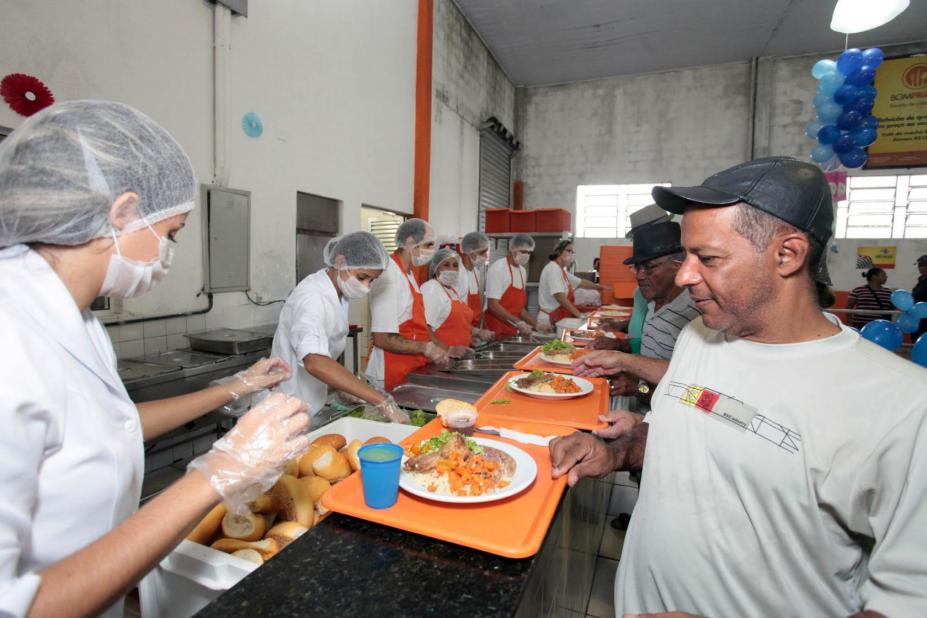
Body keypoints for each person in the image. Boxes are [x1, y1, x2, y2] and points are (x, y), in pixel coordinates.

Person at [554, 157, 927, 617]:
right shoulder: (698, 338)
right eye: (686, 256)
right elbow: (689, 434)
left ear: (787, 255)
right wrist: (619, 451)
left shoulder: (904, 408)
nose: (686, 275)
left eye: (707, 259)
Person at [0, 101, 311, 618]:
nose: (169, 253)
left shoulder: (74, 318)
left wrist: (233, 386)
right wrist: (215, 477)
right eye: (171, 234)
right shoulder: (11, 340)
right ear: (122, 212)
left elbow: (110, 428)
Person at [271, 231, 408, 423]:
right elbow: (315, 361)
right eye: (362, 277)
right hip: (283, 409)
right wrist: (381, 401)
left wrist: (342, 387)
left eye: (372, 280)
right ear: (340, 261)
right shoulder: (312, 297)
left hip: (308, 403)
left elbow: (324, 352)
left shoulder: (338, 293)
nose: (366, 287)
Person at [365, 218, 460, 391]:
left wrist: (444, 348)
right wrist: (426, 348)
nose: (432, 251)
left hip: (410, 366)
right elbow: (382, 338)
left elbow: (419, 327)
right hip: (390, 370)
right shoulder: (389, 275)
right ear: (410, 243)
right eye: (429, 245)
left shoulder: (409, 274)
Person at [422, 248, 491, 350]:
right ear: (436, 268)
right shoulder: (431, 289)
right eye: (446, 265)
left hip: (459, 355)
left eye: (455, 266)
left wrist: (472, 335)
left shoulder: (452, 291)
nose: (451, 269)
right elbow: (425, 330)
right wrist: (448, 349)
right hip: (441, 357)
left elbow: (457, 323)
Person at [485, 233, 542, 338]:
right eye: (523, 251)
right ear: (512, 248)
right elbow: (492, 304)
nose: (526, 255)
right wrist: (517, 321)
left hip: (512, 327)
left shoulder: (522, 271)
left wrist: (536, 324)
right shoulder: (498, 269)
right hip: (495, 328)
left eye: (529, 253)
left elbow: (519, 308)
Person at [537, 239, 603, 328]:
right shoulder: (553, 269)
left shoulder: (561, 270)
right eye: (568, 250)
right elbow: (560, 297)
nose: (571, 254)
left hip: (558, 317)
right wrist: (579, 315)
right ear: (559, 251)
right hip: (549, 319)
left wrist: (601, 287)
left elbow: (581, 283)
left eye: (572, 252)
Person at [456, 231, 491, 328]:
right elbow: (455, 312)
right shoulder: (458, 274)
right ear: (469, 252)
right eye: (482, 252)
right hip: (460, 328)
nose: (486, 256)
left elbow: (478, 309)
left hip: (473, 329)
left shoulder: (476, 272)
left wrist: (479, 330)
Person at [913, 254, 927, 341]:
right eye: (920, 265)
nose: (922, 267)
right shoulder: (920, 280)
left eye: (925, 265)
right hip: (917, 318)